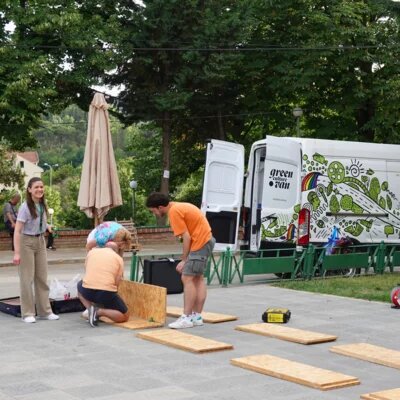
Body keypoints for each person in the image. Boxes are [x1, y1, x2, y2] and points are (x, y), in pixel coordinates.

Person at [146, 192, 215, 329]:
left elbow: (187, 237)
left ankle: (187, 318)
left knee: (187, 278)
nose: (154, 213)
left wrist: (184, 260)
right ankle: (196, 316)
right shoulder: (178, 206)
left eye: (153, 210)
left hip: (200, 243)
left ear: (160, 207)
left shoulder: (174, 212)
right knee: (198, 278)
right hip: (206, 240)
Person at [12, 177, 60, 323]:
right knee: (26, 279)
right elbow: (18, 231)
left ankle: (45, 311)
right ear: (29, 190)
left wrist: (47, 227)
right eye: (36, 187)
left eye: (41, 187)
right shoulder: (25, 207)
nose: (39, 189)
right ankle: (27, 313)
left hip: (40, 241)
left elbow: (40, 222)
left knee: (42, 277)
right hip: (26, 241)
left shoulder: (42, 204)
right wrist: (17, 252)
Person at [77, 244, 129, 327]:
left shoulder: (91, 253)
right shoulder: (118, 258)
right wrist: (113, 294)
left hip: (87, 290)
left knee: (80, 284)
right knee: (125, 316)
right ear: (116, 250)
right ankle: (98, 312)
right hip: (106, 292)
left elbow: (87, 270)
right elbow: (117, 281)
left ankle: (90, 309)